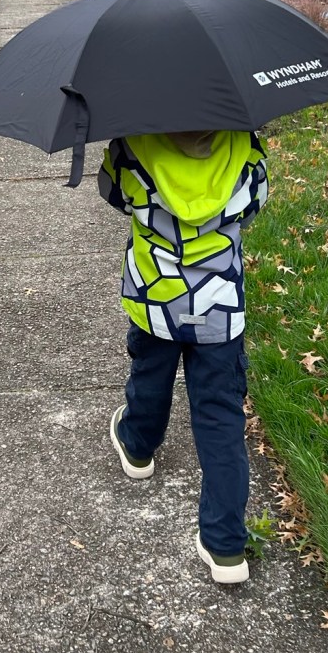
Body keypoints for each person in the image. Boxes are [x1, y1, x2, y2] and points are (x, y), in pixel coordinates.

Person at [98, 128, 269, 584]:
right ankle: (226, 546)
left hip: (156, 299)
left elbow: (113, 193)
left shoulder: (131, 145)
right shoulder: (244, 146)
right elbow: (254, 203)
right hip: (219, 308)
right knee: (220, 416)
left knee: (150, 376)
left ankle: (137, 447)